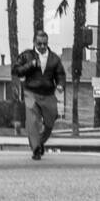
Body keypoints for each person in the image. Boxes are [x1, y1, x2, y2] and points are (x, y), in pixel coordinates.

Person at [12, 31, 66, 160]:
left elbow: (61, 74)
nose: (42, 46)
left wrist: (60, 85)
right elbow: (16, 70)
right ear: (34, 43)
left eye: (44, 44)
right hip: (31, 92)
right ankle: (35, 149)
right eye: (39, 43)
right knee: (32, 121)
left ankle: (39, 142)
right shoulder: (27, 55)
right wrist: (31, 65)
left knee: (49, 123)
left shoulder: (54, 58)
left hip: (48, 94)